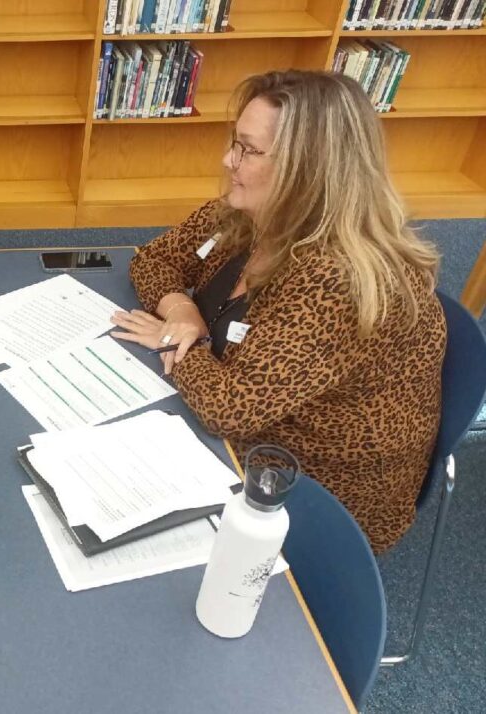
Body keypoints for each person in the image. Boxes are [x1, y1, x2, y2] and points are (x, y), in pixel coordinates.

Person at [110, 71, 445, 554]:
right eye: (235, 143)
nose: (229, 161)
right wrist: (181, 310)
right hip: (247, 427)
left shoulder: (337, 278)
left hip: (312, 490)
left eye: (249, 150)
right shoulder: (246, 213)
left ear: (307, 169)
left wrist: (173, 339)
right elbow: (154, 259)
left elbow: (230, 409)